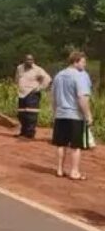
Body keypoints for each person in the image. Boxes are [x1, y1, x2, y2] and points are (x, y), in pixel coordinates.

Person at [51, 51, 94, 181]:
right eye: (83, 62)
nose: (84, 65)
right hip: (75, 115)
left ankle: (59, 169)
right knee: (76, 146)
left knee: (61, 143)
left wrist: (54, 113)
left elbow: (53, 97)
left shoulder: (59, 75)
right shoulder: (79, 76)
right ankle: (74, 172)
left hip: (60, 114)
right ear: (75, 62)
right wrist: (88, 115)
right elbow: (82, 97)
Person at [14, 54, 52, 139]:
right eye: (27, 60)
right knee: (22, 114)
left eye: (31, 60)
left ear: (33, 61)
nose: (29, 61)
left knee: (31, 115)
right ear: (24, 60)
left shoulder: (38, 69)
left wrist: (40, 88)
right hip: (22, 94)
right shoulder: (19, 68)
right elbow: (17, 78)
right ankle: (23, 132)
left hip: (32, 94)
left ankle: (30, 134)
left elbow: (48, 78)